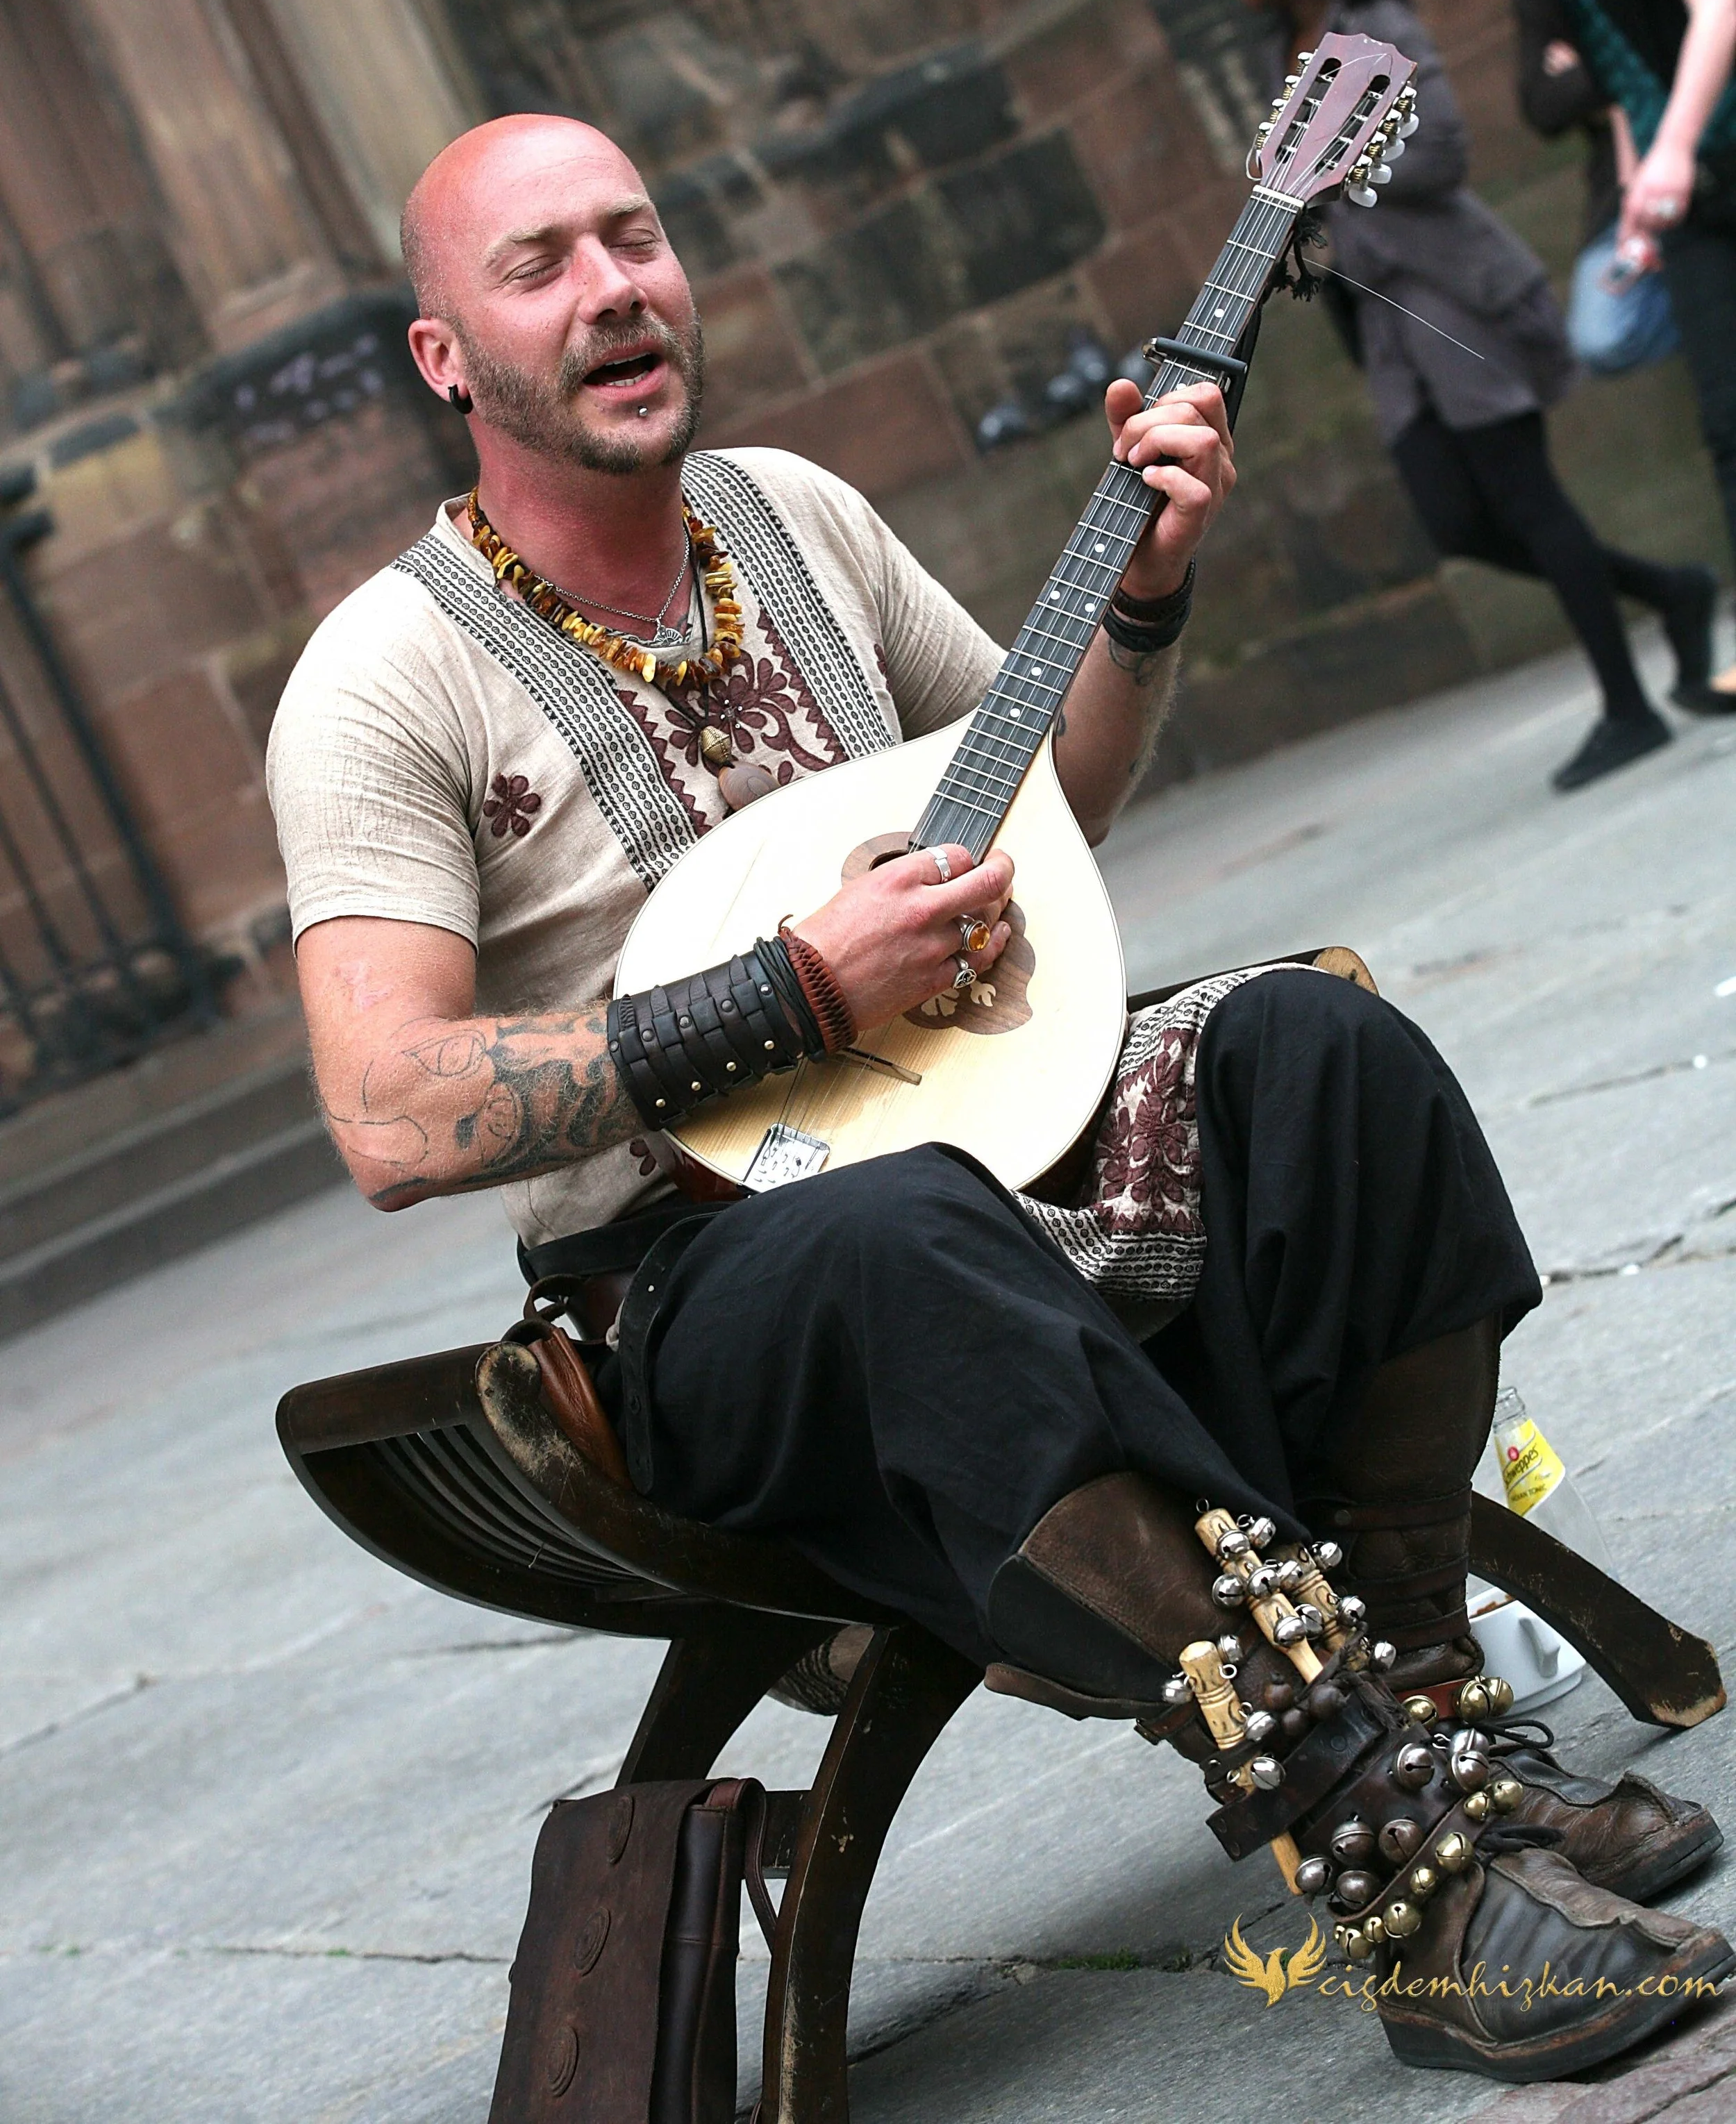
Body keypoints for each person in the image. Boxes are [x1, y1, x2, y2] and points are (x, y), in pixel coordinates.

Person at [267, 114, 1730, 2083]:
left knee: (1315, 1041)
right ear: (449, 355)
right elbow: (383, 1109)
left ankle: (1438, 1723)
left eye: (637, 235)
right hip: (704, 1283)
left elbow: (1044, 812)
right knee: (895, 1232)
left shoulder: (791, 511)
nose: (614, 285)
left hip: (979, 1140)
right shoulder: (384, 677)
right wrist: (784, 990)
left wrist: (1138, 597)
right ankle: (1409, 1883)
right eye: (541, 264)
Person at [1221, 0, 1718, 791]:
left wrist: (1332, 164)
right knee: (1455, 520)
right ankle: (1668, 590)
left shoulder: (1380, 31)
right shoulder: (1280, 54)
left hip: (1455, 294)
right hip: (1382, 321)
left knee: (1528, 499)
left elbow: (1444, 152)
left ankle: (1629, 706)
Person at [1460, 0, 1736, 712]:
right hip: (1686, 194)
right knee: (1726, 418)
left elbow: (1719, 7)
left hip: (1717, 152)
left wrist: (1670, 149)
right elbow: (1619, 77)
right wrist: (1637, 191)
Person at [1504, 0, 1682, 374]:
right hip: (1627, 192)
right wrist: (1615, 74)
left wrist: (1588, 63)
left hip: (1705, 150)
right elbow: (1542, 106)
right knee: (1600, 334)